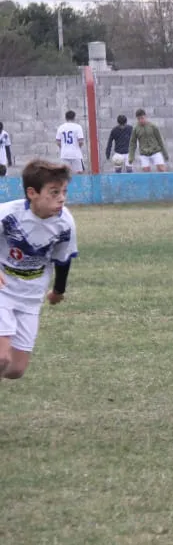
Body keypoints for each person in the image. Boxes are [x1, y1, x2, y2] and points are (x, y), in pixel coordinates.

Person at [0, 159, 78, 380]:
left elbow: (63, 260)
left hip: (30, 297)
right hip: (3, 291)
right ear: (32, 193)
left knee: (15, 370)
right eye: (54, 192)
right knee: (1, 358)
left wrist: (58, 292)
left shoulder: (65, 224)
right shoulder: (8, 214)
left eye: (63, 191)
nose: (61, 198)